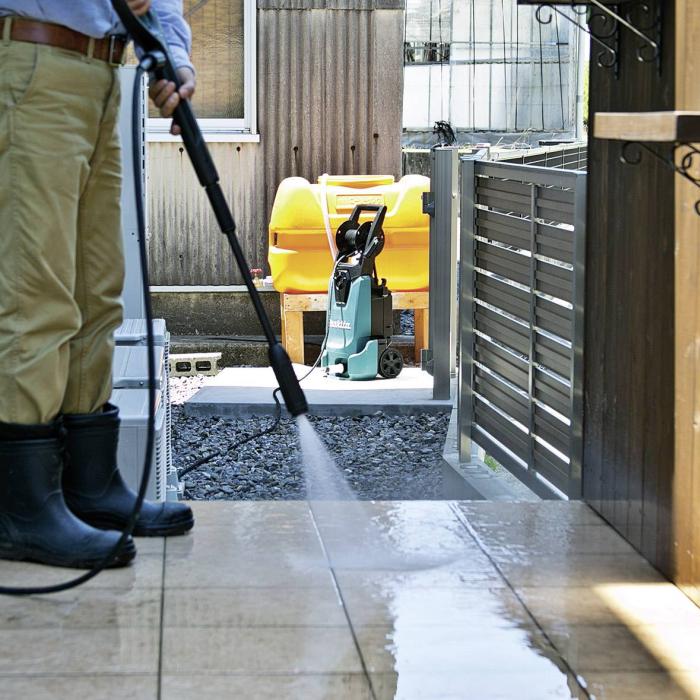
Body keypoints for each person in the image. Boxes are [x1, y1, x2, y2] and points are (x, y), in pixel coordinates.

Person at [0, 0, 196, 569]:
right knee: (36, 292)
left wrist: (172, 55)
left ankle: (88, 486)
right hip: (32, 58)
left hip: (106, 75)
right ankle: (23, 509)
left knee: (97, 292)